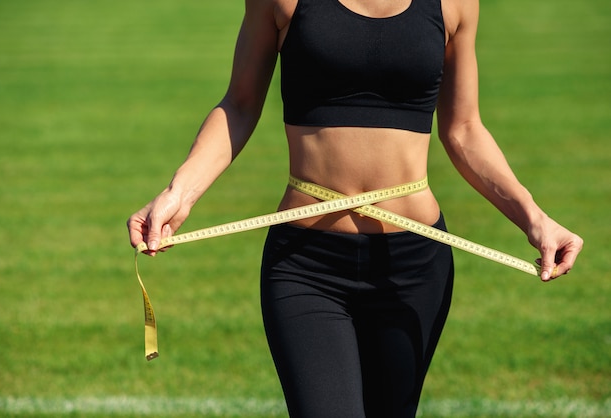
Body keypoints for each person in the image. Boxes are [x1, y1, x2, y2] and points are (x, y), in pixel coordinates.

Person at [127, 0, 584, 416]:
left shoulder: (455, 2)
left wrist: (535, 219)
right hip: (306, 265)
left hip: (414, 267)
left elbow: (464, 129)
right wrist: (178, 193)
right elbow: (240, 105)